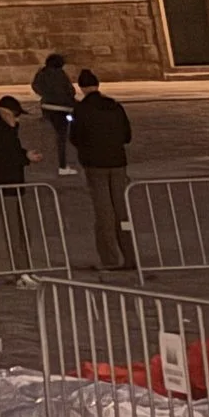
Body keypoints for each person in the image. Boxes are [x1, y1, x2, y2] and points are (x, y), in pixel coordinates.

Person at [70, 68, 135, 270]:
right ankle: (130, 256)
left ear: (81, 88)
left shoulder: (81, 110)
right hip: (118, 162)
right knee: (122, 210)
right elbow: (127, 136)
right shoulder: (115, 107)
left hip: (95, 165)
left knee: (104, 212)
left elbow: (76, 138)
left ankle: (110, 258)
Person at [0, 92, 34, 272]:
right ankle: (20, 271)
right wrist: (23, 155)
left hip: (15, 185)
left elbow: (14, 151)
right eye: (15, 115)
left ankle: (24, 268)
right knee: (14, 232)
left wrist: (25, 155)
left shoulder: (3, 130)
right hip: (5, 186)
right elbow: (7, 155)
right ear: (6, 113)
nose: (17, 120)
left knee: (22, 231)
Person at [32, 52, 79, 173]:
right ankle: (63, 165)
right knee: (62, 137)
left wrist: (46, 95)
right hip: (62, 108)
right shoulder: (60, 74)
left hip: (47, 106)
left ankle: (48, 162)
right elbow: (71, 91)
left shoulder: (41, 73)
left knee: (53, 134)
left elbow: (35, 87)